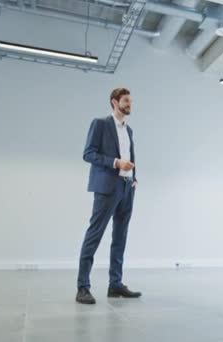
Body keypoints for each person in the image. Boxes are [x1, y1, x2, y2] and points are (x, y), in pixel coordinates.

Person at [76, 87, 141, 304]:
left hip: (126, 187)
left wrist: (134, 176)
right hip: (106, 188)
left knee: (120, 238)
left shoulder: (129, 130)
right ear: (114, 102)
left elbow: (129, 156)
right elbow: (88, 154)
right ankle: (82, 287)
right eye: (126, 100)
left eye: (130, 100)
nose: (129, 104)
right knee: (95, 234)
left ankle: (115, 285)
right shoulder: (101, 124)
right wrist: (115, 163)